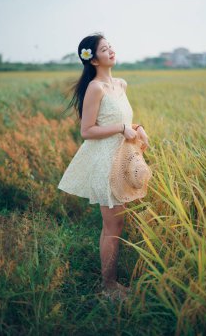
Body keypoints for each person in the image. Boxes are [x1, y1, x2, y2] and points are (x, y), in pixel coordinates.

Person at [58, 32, 150, 300]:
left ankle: (112, 284)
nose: (111, 51)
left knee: (117, 224)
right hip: (105, 163)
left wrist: (136, 127)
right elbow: (87, 130)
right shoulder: (95, 87)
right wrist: (122, 127)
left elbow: (120, 119)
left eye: (111, 47)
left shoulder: (120, 84)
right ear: (93, 60)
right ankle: (108, 288)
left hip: (123, 160)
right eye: (104, 49)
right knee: (113, 227)